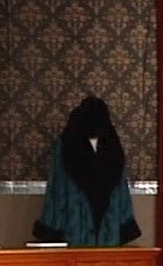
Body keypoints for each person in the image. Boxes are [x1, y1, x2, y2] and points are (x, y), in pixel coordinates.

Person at [32, 95, 141, 246]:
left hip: (108, 218)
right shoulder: (66, 143)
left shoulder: (112, 145)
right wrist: (53, 226)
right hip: (74, 219)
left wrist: (125, 222)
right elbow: (56, 187)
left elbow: (121, 187)